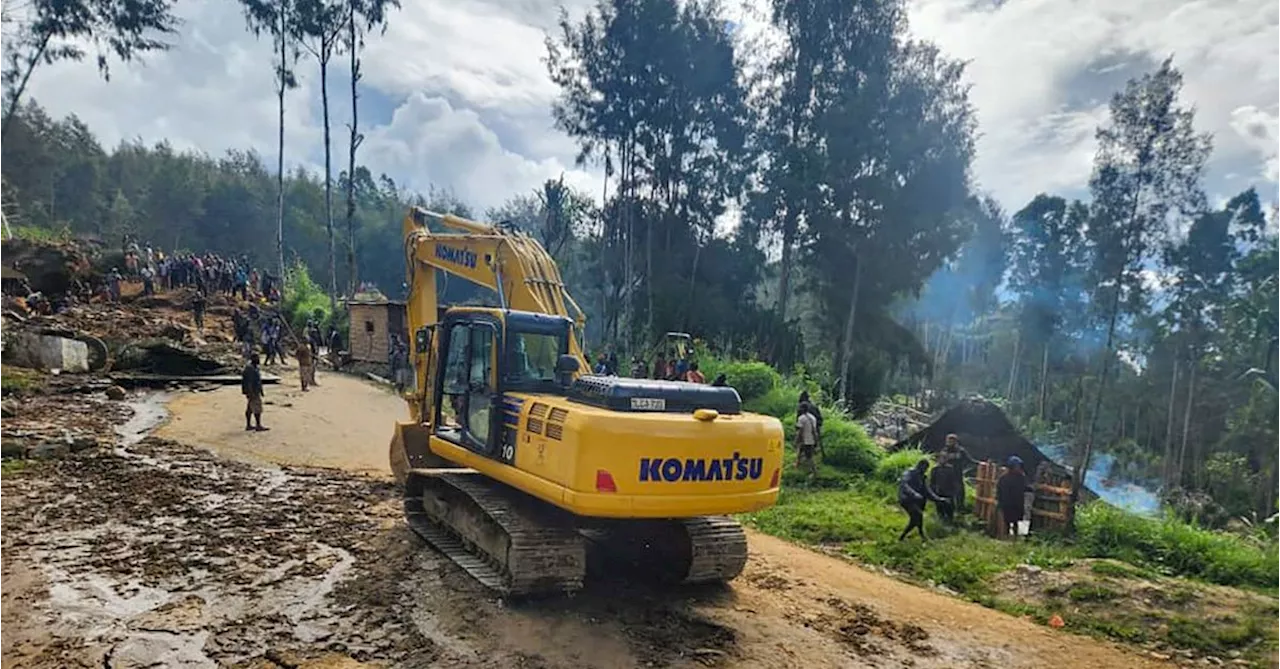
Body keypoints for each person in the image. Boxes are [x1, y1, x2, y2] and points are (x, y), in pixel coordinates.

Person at [898, 459, 947, 542]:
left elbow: (927, 491)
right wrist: (914, 494)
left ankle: (903, 537)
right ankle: (922, 536)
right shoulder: (909, 472)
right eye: (925, 468)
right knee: (918, 515)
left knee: (915, 519)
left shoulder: (923, 477)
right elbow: (904, 484)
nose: (925, 470)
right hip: (906, 499)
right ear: (920, 466)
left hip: (917, 500)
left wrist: (939, 499)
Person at [997, 455, 1031, 539]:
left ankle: (1016, 537)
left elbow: (1024, 487)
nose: (1018, 468)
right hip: (1007, 503)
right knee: (1007, 521)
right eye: (1016, 466)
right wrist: (1000, 502)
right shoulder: (1004, 478)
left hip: (1018, 503)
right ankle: (1007, 536)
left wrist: (1031, 489)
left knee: (1018, 521)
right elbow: (1000, 491)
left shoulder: (1021, 477)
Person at [241, 354, 267, 432]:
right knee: (257, 408)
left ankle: (248, 425)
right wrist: (250, 392)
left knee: (250, 408)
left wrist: (261, 390)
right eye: (257, 358)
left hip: (255, 390)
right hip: (253, 391)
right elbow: (249, 382)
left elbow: (258, 380)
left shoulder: (254, 367)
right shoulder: (250, 369)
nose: (259, 360)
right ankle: (258, 425)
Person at [795, 401, 820, 476]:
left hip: (805, 440)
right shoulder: (813, 417)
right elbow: (814, 430)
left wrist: (797, 440)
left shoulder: (801, 418)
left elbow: (800, 431)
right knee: (800, 451)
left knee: (809, 457)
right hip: (812, 439)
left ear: (802, 409)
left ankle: (814, 472)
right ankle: (797, 465)